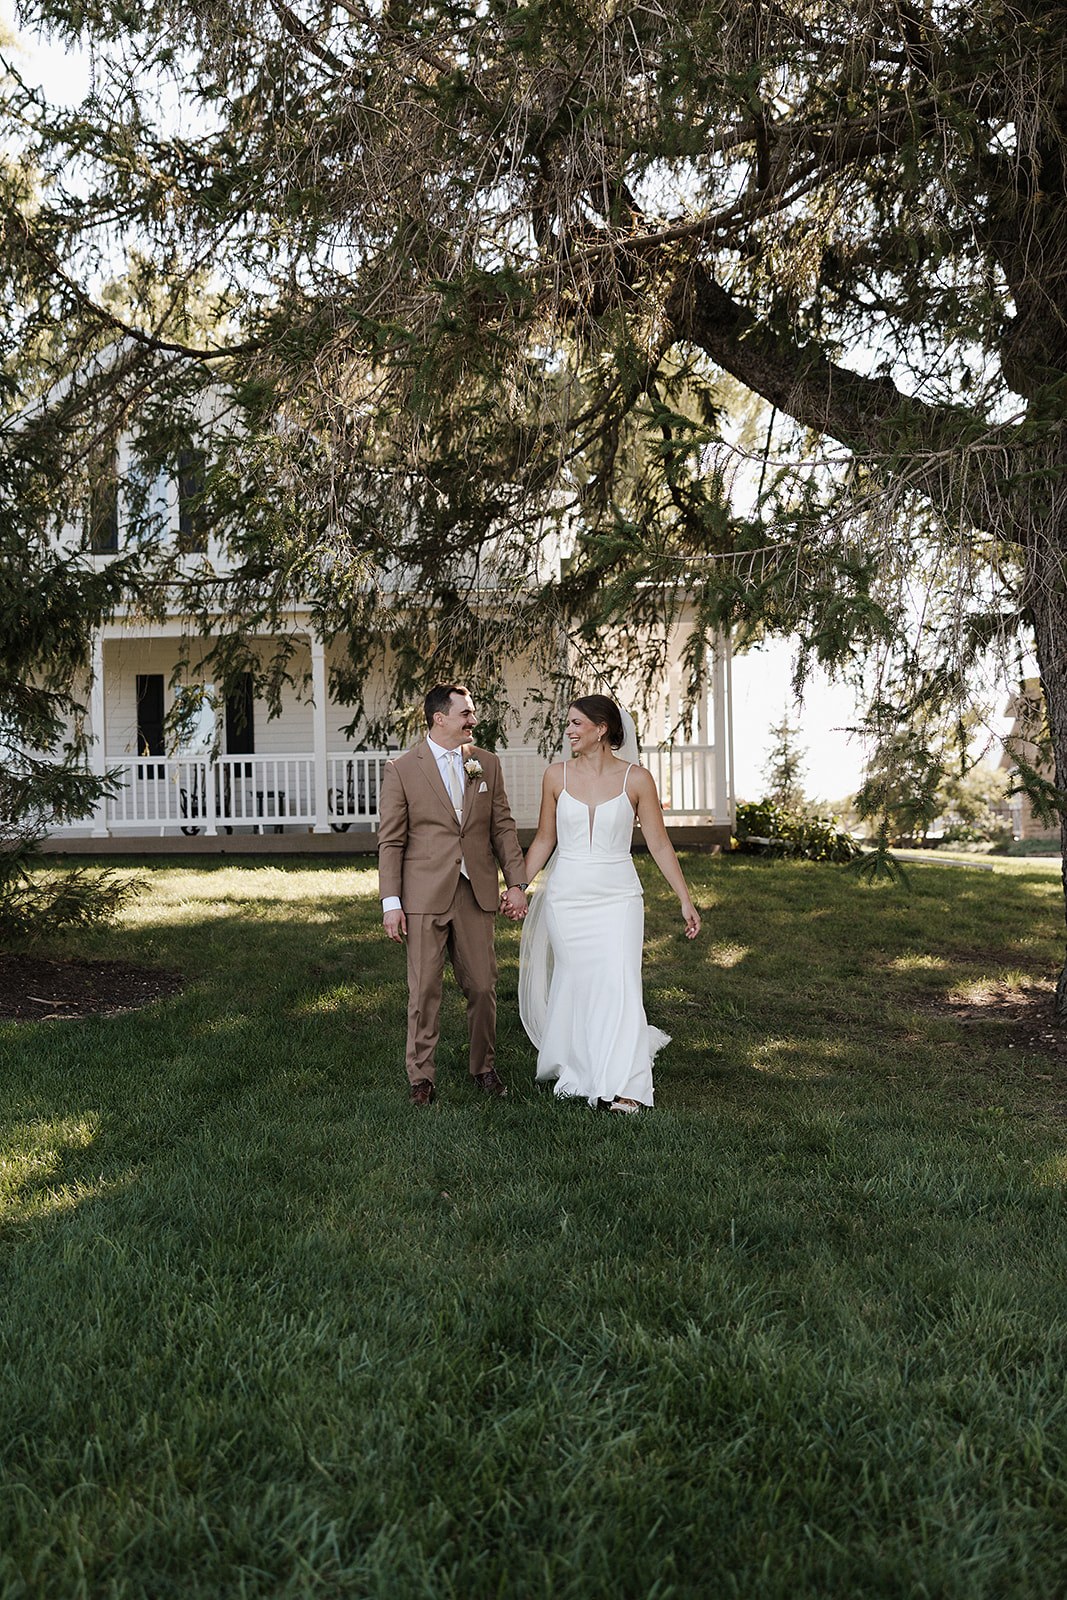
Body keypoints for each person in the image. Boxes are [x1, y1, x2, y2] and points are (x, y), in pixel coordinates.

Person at [518, 695, 700, 1113]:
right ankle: (584, 1069)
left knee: (620, 982)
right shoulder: (555, 777)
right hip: (567, 896)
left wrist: (684, 899)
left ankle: (627, 1087)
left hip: (619, 897)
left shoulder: (637, 780)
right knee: (579, 981)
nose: (569, 731)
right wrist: (518, 886)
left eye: (577, 723)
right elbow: (545, 839)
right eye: (568, 723)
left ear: (602, 729)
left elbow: (658, 842)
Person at [378, 684, 529, 1106]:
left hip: (475, 891)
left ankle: (483, 1067)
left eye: (473, 712)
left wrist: (515, 883)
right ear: (438, 718)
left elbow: (503, 827)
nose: (473, 720)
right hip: (423, 895)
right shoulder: (403, 768)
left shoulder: (486, 764)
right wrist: (392, 902)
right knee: (424, 990)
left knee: (482, 986)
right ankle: (421, 1078)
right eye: (466, 713)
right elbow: (391, 842)